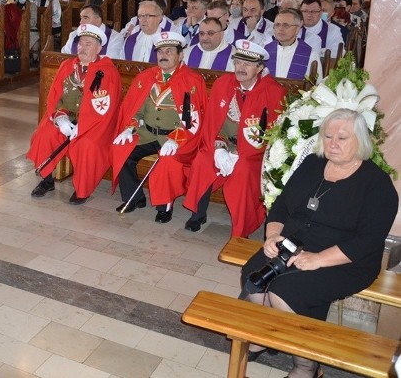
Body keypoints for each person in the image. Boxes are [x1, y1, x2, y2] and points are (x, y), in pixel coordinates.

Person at [240, 108, 398, 378]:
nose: (333, 143)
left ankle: (306, 367)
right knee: (255, 277)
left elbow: (368, 242)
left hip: (345, 260)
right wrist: (272, 236)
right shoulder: (313, 164)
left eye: (342, 137)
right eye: (328, 136)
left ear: (360, 141)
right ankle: (269, 333)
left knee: (285, 292)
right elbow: (281, 206)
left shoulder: (377, 185)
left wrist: (318, 259)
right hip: (293, 244)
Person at [184, 40, 286, 235]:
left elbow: (273, 136)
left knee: (244, 172)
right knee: (203, 162)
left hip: (254, 154)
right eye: (238, 62)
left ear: (260, 68)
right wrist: (220, 148)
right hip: (222, 144)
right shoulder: (223, 84)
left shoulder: (274, 92)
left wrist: (241, 154)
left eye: (247, 64)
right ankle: (198, 213)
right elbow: (213, 123)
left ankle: (242, 227)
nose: (241, 68)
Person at [111, 32, 206, 222]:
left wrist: (176, 139)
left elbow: (193, 120)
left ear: (180, 56)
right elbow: (134, 111)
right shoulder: (146, 77)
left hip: (175, 138)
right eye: (160, 51)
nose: (163, 55)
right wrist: (129, 128)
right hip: (146, 133)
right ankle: (133, 197)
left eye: (169, 51)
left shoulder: (192, 81)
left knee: (167, 162)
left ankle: (165, 206)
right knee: (121, 149)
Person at [27, 24, 121, 205]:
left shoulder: (107, 71)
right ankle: (47, 180)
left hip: (95, 124)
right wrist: (61, 118)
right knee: (43, 134)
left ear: (99, 48)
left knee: (87, 145)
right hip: (67, 118)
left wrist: (82, 126)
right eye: (80, 43)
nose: (82, 47)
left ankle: (82, 189)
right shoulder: (67, 66)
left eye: (88, 44)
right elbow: (55, 96)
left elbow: (106, 107)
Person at [264, 8, 321, 81]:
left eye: (286, 25)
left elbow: (317, 85)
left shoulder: (311, 54)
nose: (281, 29)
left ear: (297, 29)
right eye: (277, 25)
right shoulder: (266, 51)